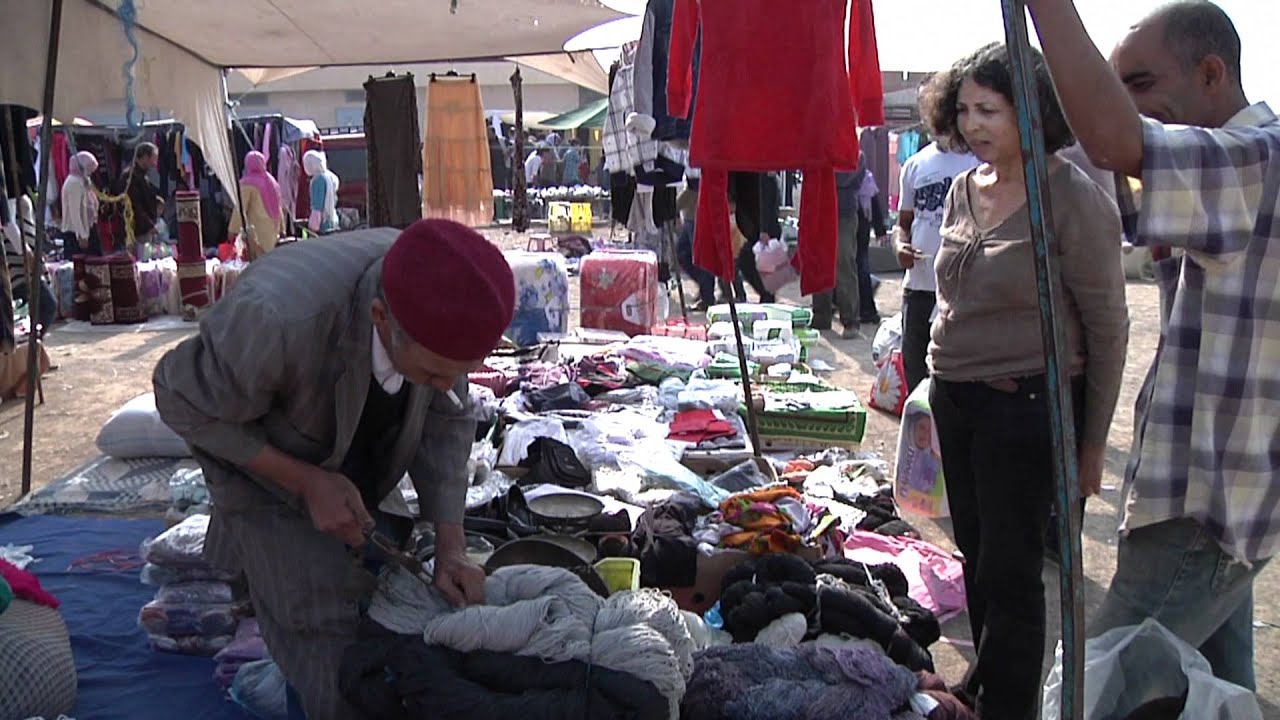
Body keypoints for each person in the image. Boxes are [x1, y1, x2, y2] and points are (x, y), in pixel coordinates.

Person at [153, 219, 515, 719]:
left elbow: (449, 413)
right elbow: (178, 397)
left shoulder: (439, 292)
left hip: (354, 450)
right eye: (433, 372)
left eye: (457, 371)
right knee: (323, 641)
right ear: (380, 318)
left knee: (381, 590)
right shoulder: (277, 318)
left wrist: (451, 546)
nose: (445, 384)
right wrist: (304, 481)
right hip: (268, 470)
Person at [1027, 0, 1279, 691]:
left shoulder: (1257, 161)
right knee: (1218, 689)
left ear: (1210, 73)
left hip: (1207, 505)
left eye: (1139, 83)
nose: (1127, 103)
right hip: (1219, 497)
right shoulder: (1220, 168)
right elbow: (1109, 152)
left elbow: (1113, 141)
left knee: (1094, 691)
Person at [922, 42, 1130, 719]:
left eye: (991, 109)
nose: (974, 124)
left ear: (1033, 110)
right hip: (958, 400)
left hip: (1028, 406)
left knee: (1012, 573)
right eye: (965, 109)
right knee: (975, 554)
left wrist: (1091, 443)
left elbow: (1107, 326)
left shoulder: (1069, 195)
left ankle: (1010, 708)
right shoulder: (961, 188)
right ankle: (985, 683)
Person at [894, 137, 980, 391]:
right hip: (919, 287)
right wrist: (900, 246)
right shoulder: (914, 165)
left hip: (961, 292)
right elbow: (903, 223)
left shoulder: (978, 164)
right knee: (915, 373)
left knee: (954, 379)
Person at [812, 168, 865, 339]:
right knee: (820, 262)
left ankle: (850, 320)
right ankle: (821, 314)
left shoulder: (856, 154)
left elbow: (841, 179)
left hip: (844, 214)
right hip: (821, 210)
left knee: (844, 264)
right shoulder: (821, 152)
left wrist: (824, 171)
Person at [853, 156, 889, 325]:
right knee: (860, 265)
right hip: (863, 226)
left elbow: (874, 206)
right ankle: (865, 309)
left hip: (855, 225)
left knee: (857, 265)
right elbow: (875, 205)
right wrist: (880, 230)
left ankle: (864, 308)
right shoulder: (867, 178)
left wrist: (881, 230)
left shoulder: (849, 176)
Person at [228, 151, 284, 260]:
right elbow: (278, 207)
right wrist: (282, 229)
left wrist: (232, 230)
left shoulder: (247, 183)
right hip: (273, 232)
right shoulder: (272, 181)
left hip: (257, 234)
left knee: (258, 265)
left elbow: (240, 209)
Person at [117, 142, 164, 246]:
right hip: (136, 231)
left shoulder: (142, 176)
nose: (155, 163)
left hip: (144, 229)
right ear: (145, 157)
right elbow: (134, 204)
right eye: (154, 159)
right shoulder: (130, 177)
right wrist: (149, 225)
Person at [59, 151, 101, 257]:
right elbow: (75, 212)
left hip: (87, 230)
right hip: (76, 234)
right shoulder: (74, 183)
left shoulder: (83, 181)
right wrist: (82, 235)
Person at [303, 150, 340, 234]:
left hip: (323, 224)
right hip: (333, 220)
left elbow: (317, 207)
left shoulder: (317, 180)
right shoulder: (329, 176)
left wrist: (312, 227)